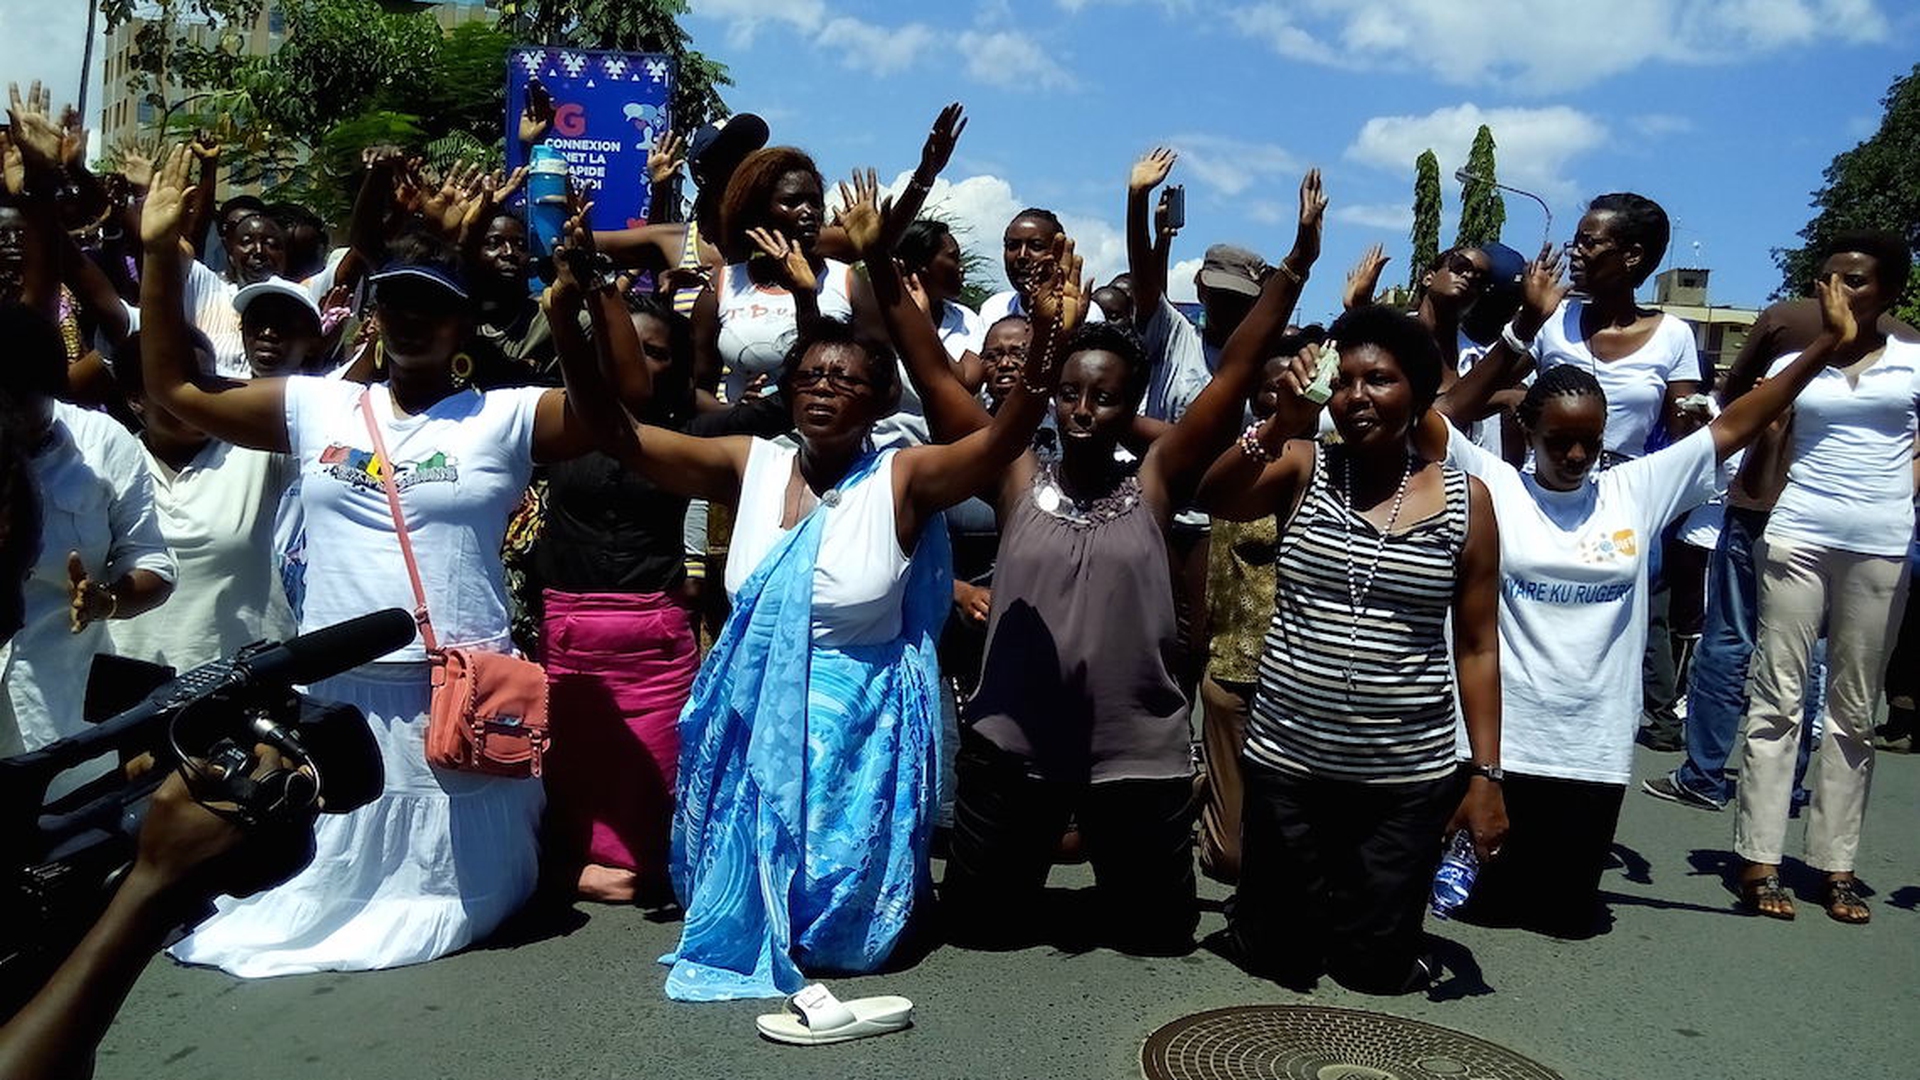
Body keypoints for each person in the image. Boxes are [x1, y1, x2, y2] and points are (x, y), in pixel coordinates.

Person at [548, 174, 1077, 1001]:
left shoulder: (902, 479)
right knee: (755, 897)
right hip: (754, 700)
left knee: (843, 928)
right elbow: (618, 434)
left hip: (856, 713)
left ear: (876, 403)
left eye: (848, 380)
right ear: (789, 391)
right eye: (812, 377)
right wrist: (572, 320)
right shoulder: (744, 462)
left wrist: (1046, 342)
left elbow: (1006, 435)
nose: (826, 388)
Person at [136, 146, 601, 975]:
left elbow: (607, 421)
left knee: (465, 892)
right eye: (395, 303)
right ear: (373, 315)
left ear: (464, 324)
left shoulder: (503, 415)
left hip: (452, 687)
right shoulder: (319, 403)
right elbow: (177, 395)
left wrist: (572, 305)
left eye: (432, 305)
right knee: (321, 884)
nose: (411, 318)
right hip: (339, 686)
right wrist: (158, 256)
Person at [936, 170, 1327, 956]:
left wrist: (1298, 265)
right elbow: (930, 373)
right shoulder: (1016, 474)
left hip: (1135, 754)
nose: (1084, 412)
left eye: (1106, 398)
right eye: (1071, 395)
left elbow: (1240, 371)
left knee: (1156, 936)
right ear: (1051, 396)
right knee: (980, 931)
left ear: (1133, 401)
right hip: (1013, 746)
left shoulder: (1156, 481)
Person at [1422, 245, 1863, 938]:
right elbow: (1430, 416)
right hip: (1501, 747)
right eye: (1557, 441)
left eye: (1588, 443)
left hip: (1591, 747)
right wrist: (1521, 332)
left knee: (1565, 919)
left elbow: (1740, 420)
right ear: (1525, 432)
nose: (1573, 457)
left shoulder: (1637, 489)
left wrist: (1825, 349)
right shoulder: (1493, 486)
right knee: (1477, 911)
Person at [1198, 302, 1504, 995]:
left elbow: (1479, 647)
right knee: (1278, 957)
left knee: (1372, 971)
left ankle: (1381, 930)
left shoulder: (1468, 502)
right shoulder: (1303, 467)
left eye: (1382, 380)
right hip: (1289, 762)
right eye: (1345, 381)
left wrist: (1486, 775)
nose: (1357, 397)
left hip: (1403, 776)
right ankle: (1281, 916)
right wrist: (1280, 424)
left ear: (1420, 396)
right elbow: (1215, 494)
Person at [1732, 230, 1916, 925]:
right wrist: (1775, 430)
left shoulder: (1913, 361)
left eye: (1857, 281)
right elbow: (1755, 452)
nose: (1837, 291)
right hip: (1800, 532)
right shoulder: (1795, 361)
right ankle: (1760, 856)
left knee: (1852, 711)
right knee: (1777, 697)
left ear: (1890, 292)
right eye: (1829, 278)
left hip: (1880, 545)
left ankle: (1836, 863)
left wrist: (1898, 493)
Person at [532, 291, 703, 904]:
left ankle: (643, 866)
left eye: (653, 352)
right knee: (571, 775)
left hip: (655, 645)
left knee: (655, 782)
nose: (636, 363)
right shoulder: (552, 426)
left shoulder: (696, 430)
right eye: (619, 347)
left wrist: (805, 302)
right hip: (568, 635)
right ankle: (572, 862)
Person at [107, 328, 296, 672]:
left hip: (243, 683)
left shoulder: (258, 450)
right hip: (129, 689)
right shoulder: (109, 463)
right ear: (136, 398)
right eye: (178, 381)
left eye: (206, 380)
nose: (195, 395)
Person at [1195, 350, 1297, 884]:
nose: (1281, 396)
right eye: (1269, 388)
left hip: (1302, 681)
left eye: (1294, 387)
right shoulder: (1236, 462)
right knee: (1231, 861)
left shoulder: (1330, 465)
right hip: (1236, 665)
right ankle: (1200, 782)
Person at [1531, 192, 1703, 463]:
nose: (1575, 253)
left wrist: (1698, 425)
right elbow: (1477, 398)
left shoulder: (1674, 335)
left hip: (1625, 490)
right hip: (1545, 487)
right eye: (1574, 243)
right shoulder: (1553, 319)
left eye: (1588, 243)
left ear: (1632, 255)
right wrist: (1527, 321)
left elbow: (1681, 438)